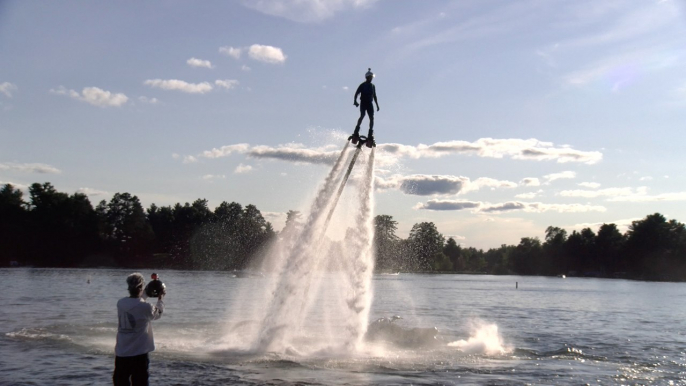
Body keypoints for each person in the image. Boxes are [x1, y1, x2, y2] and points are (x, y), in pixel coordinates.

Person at [113, 272, 165, 386]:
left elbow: (135, 302)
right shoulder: (146, 307)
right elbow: (158, 313)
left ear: (128, 287)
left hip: (122, 353)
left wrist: (145, 293)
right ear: (141, 287)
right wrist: (160, 299)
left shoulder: (120, 303)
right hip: (139, 354)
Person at [350, 68, 379, 147]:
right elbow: (356, 93)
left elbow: (374, 95)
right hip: (363, 103)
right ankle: (356, 130)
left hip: (370, 103)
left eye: (372, 77)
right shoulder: (363, 85)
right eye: (370, 77)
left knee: (372, 118)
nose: (371, 79)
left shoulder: (372, 86)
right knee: (362, 115)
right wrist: (355, 101)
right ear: (367, 77)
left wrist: (377, 105)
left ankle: (370, 133)